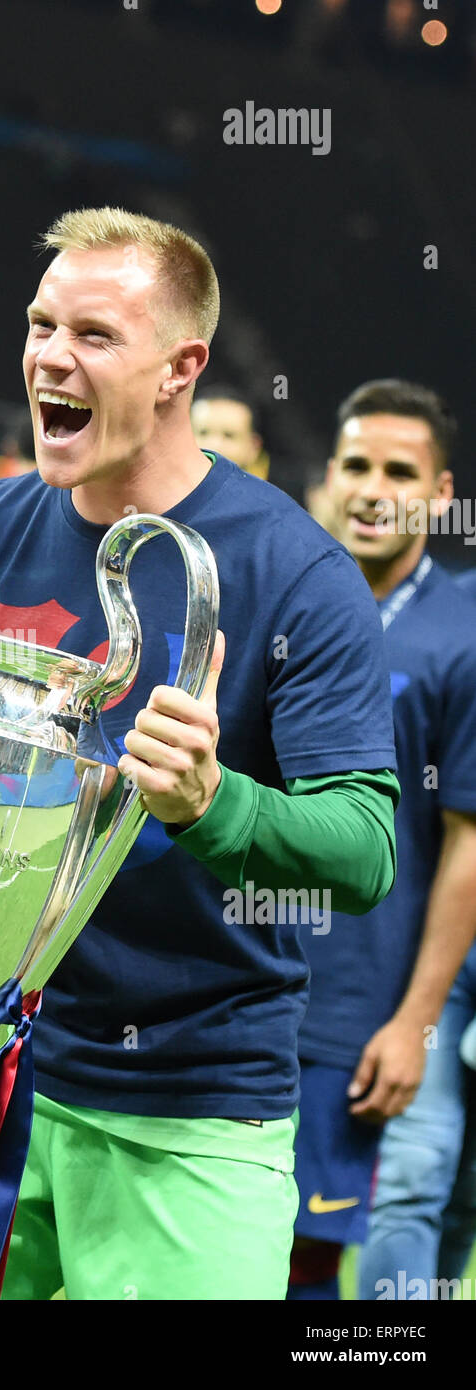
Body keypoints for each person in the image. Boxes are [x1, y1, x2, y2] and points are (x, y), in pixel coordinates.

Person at [0, 206, 401, 1301]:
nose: (48, 354)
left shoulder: (296, 575)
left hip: (187, 1109)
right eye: (41, 324)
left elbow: (364, 849)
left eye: (93, 335)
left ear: (182, 366)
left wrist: (208, 801)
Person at [288, 380, 476, 1299]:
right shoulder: (283, 590)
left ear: (440, 496)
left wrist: (414, 1022)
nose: (372, 488)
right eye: (355, 465)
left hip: (354, 997)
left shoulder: (463, 632)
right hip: (236, 973)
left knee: (304, 1253)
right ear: (328, 476)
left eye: (399, 472)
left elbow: (466, 845)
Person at [190, 383, 268, 479]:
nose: (213, 446)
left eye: (228, 436)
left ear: (253, 447)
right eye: (203, 433)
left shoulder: (272, 493)